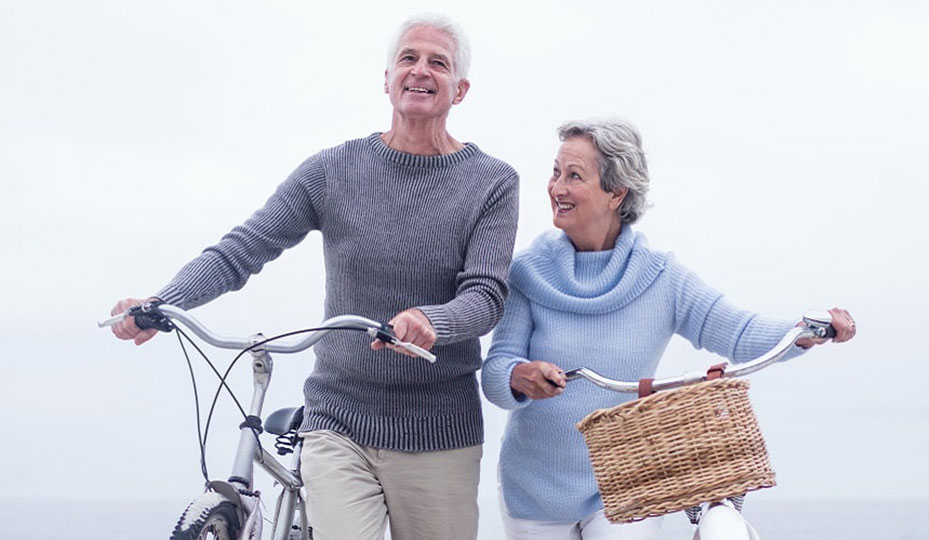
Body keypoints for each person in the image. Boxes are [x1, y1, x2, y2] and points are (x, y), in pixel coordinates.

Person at [111, 14, 519, 540]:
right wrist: (163, 302)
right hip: (339, 419)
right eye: (408, 59)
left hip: (439, 430)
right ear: (387, 78)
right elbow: (244, 248)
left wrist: (431, 320)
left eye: (438, 63)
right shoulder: (331, 170)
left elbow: (485, 297)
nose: (421, 71)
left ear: (459, 89)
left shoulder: (492, 182)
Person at [480, 118, 855, 540]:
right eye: (555, 172)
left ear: (616, 193)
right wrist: (518, 377)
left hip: (626, 489)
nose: (556, 188)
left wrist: (805, 330)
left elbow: (737, 331)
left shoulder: (660, 277)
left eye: (574, 176)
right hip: (536, 491)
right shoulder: (530, 272)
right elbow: (496, 373)